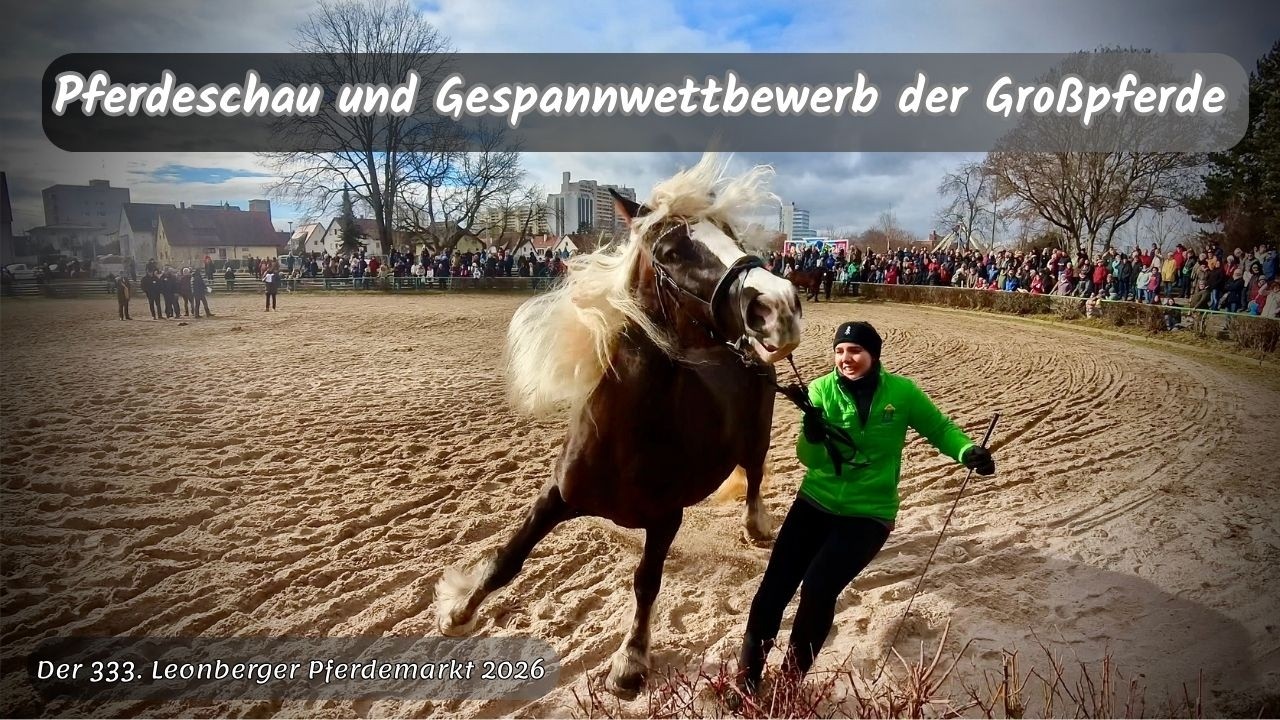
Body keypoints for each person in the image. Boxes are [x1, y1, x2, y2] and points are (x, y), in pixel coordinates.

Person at [736, 321, 995, 697]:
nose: (846, 358)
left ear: (873, 354)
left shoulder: (902, 393)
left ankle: (790, 682)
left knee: (819, 586)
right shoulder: (821, 390)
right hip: (815, 502)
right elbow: (809, 459)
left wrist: (965, 451)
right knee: (774, 587)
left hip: (869, 514)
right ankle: (747, 677)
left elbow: (939, 428)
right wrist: (812, 431)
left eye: (855, 350)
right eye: (840, 351)